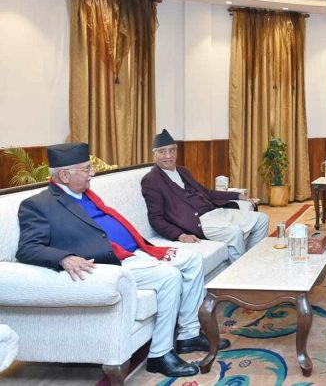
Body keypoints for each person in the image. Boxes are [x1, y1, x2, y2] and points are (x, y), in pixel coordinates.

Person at [16, 142, 229, 378]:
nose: (92, 174)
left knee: (193, 260)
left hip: (137, 250)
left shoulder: (86, 194)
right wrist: (64, 257)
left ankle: (188, 335)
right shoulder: (39, 205)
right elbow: (27, 248)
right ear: (65, 175)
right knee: (169, 276)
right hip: (109, 262)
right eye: (86, 169)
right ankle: (160, 355)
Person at [141, 129, 269, 262]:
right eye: (162, 152)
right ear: (154, 155)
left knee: (262, 219)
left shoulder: (182, 171)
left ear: (176, 151)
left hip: (215, 212)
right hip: (199, 222)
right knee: (234, 232)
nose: (168, 156)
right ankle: (240, 271)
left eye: (171, 150)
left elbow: (207, 192)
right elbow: (155, 218)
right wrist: (180, 235)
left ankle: (253, 261)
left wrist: (237, 195)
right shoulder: (152, 180)